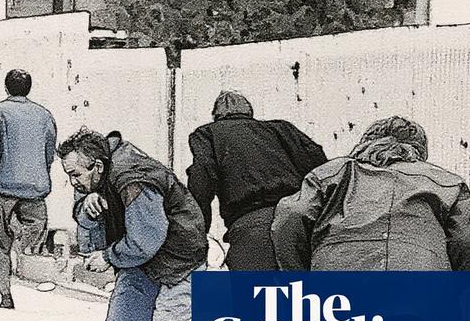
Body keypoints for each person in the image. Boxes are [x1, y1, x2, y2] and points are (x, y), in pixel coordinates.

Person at [58, 128, 208, 321]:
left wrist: (108, 257)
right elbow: (85, 229)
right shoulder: (94, 176)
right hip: (141, 265)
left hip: (181, 262)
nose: (73, 182)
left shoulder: (132, 178)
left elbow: (145, 239)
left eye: (75, 175)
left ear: (98, 167)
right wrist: (87, 206)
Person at [272, 115, 470, 271]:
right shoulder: (448, 183)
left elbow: (290, 218)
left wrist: (299, 274)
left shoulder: (331, 172)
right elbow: (463, 241)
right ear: (418, 150)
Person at [186, 90, 327, 270]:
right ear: (250, 112)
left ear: (216, 116)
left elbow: (202, 179)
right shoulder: (282, 129)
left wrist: (197, 234)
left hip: (252, 228)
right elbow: (319, 168)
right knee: (307, 293)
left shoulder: (209, 133)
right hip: (299, 221)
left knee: (255, 294)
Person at [0, 69, 57, 309]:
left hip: (1, 187)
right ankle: (22, 241)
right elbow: (50, 152)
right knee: (34, 232)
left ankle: (6, 296)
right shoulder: (44, 115)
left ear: (6, 89)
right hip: (35, 190)